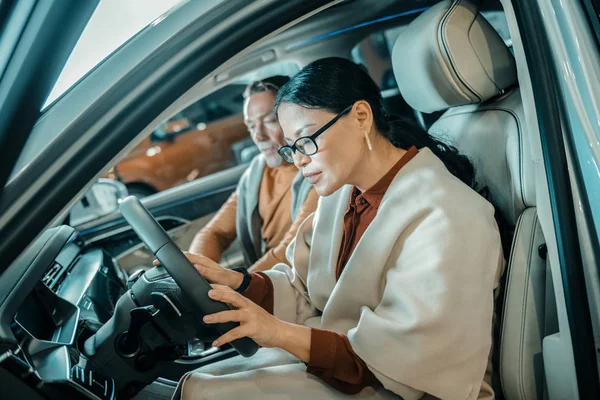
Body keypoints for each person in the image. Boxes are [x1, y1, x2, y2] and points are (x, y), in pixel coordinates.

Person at [174, 58, 504, 400]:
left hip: (403, 387)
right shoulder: (344, 193)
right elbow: (303, 287)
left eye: (306, 140)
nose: (299, 159)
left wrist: (277, 332)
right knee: (202, 381)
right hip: (348, 363)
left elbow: (408, 360)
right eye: (291, 148)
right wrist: (239, 282)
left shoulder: (447, 215)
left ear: (361, 116)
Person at [189, 76, 319, 273]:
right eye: (251, 126)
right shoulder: (257, 173)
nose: (258, 136)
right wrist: (195, 271)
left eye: (269, 121)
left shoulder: (318, 171)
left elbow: (291, 251)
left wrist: (241, 285)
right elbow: (215, 232)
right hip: (265, 281)